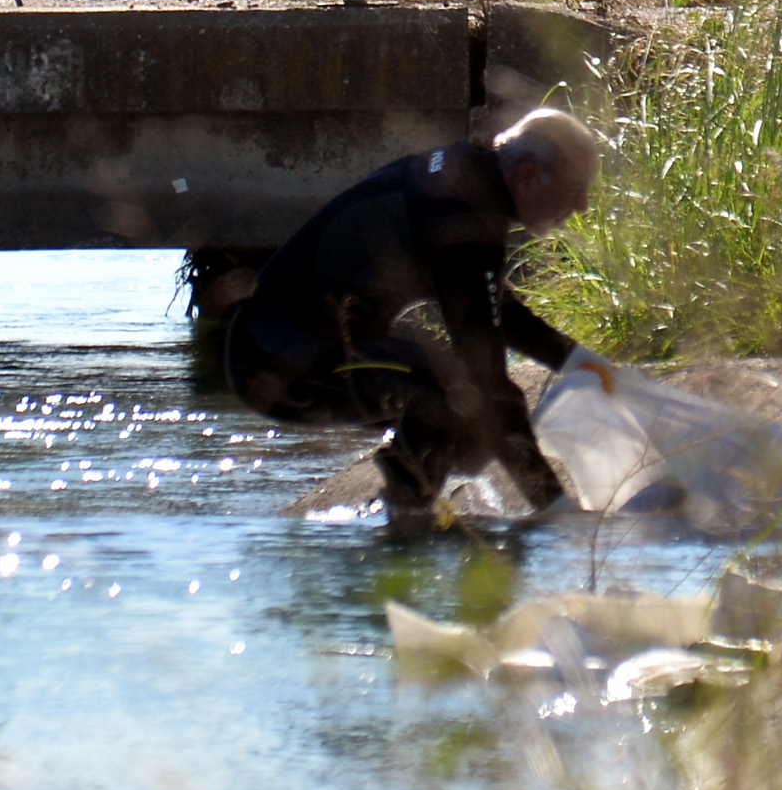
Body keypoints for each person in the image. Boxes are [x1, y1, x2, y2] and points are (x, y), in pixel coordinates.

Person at [223, 108, 601, 535]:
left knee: (472, 420)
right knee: (449, 394)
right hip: (274, 360)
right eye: (576, 189)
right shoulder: (464, 209)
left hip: (307, 348)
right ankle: (406, 521)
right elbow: (487, 375)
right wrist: (558, 509)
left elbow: (495, 313)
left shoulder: (470, 183)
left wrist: (585, 365)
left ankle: (406, 509)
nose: (582, 206)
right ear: (528, 177)